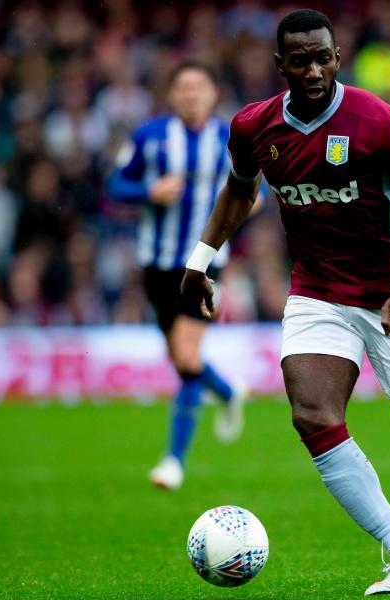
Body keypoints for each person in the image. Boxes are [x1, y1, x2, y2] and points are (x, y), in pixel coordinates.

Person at [180, 10, 390, 595]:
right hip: (316, 291)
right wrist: (199, 258)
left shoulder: (380, 124)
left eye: (323, 57)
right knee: (312, 414)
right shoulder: (254, 127)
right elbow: (241, 190)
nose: (313, 69)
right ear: (280, 64)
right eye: (300, 60)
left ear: (338, 57)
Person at [107, 60, 248, 492]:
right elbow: (115, 184)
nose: (191, 95)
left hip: (204, 262)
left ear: (213, 93)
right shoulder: (149, 137)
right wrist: (149, 191)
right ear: (171, 95)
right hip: (156, 264)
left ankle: (174, 461)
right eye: (183, 87)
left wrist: (248, 205)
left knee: (187, 360)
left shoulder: (229, 137)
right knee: (180, 359)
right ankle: (227, 391)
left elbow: (257, 185)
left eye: (199, 87)